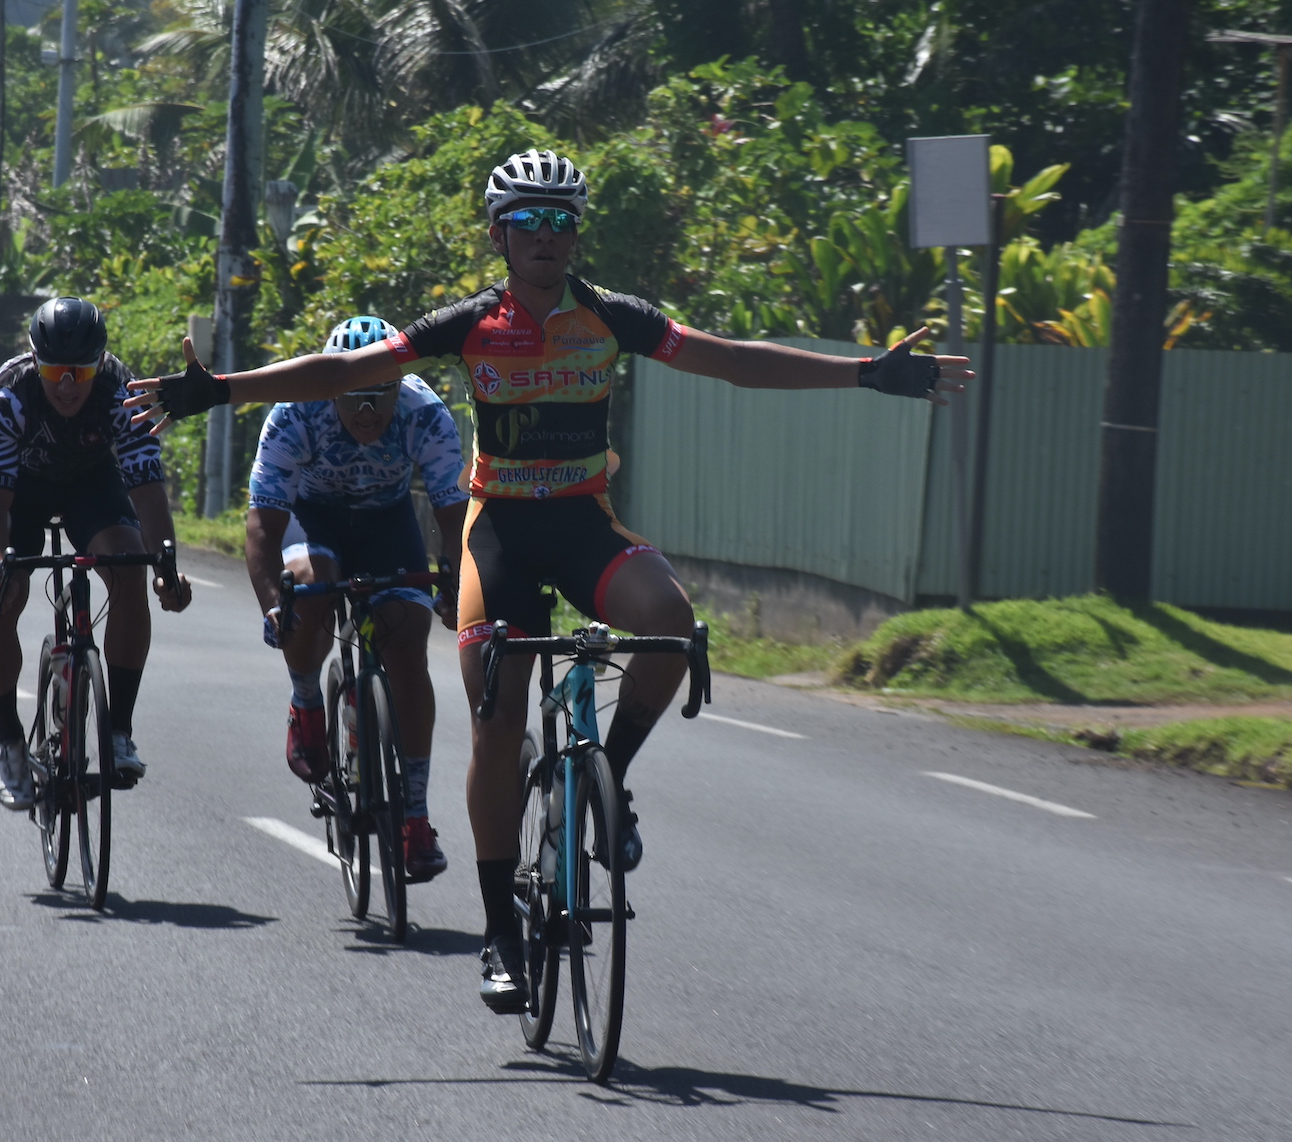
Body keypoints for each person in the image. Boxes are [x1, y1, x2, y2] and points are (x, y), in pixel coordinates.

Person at [128, 148, 974, 1011]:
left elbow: (733, 360)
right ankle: (499, 933)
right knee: (497, 718)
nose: (546, 236)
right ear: (500, 234)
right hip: (498, 536)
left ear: (576, 235)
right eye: (528, 221)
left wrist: (871, 373)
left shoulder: (612, 317)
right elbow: (347, 372)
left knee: (672, 622)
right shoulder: (468, 323)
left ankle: (602, 782)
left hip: (581, 525)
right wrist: (219, 390)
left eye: (561, 220)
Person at [245, 315, 467, 883]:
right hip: (310, 520)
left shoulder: (425, 413)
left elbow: (456, 519)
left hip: (386, 522)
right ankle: (305, 701)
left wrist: (455, 587)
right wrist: (275, 605)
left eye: (380, 397)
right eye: (353, 399)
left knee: (407, 644)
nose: (368, 414)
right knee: (312, 588)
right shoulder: (295, 413)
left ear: (399, 387)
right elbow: (264, 530)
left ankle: (414, 815)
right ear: (328, 390)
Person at [0, 297, 190, 809]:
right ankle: (8, 742)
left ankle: (119, 732)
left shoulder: (120, 391)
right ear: (34, 361)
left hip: (91, 486)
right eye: (54, 370)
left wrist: (166, 566)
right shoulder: (8, 395)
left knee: (130, 569)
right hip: (19, 492)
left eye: (80, 371)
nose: (67, 384)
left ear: (99, 363)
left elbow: (147, 488)